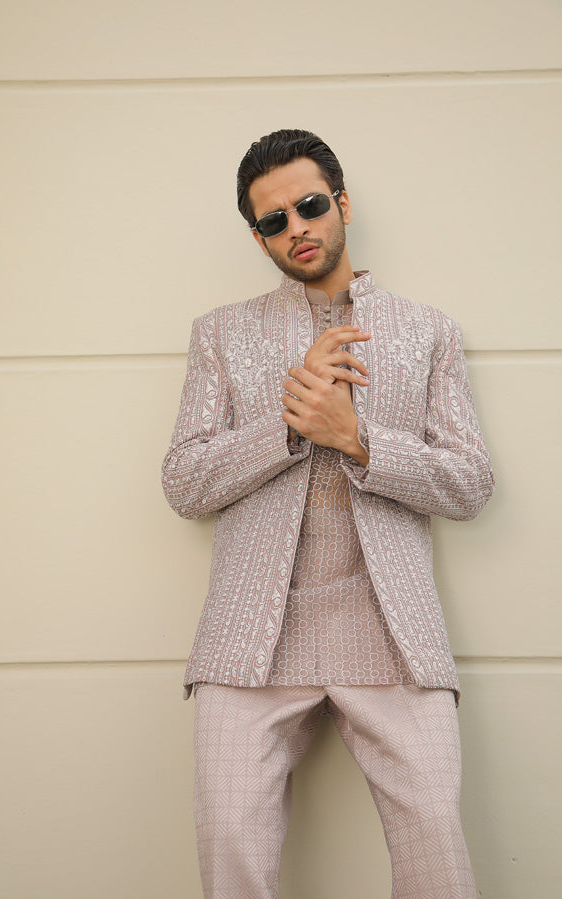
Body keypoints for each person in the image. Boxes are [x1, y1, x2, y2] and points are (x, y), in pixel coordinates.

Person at [162, 128, 493, 899]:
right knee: (229, 847)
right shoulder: (219, 334)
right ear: (257, 236)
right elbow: (184, 482)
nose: (296, 228)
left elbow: (469, 483)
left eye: (309, 205)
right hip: (249, 638)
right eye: (272, 220)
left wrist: (356, 438)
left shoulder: (429, 331)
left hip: (391, 632)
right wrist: (288, 425)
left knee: (435, 851)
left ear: (341, 204)